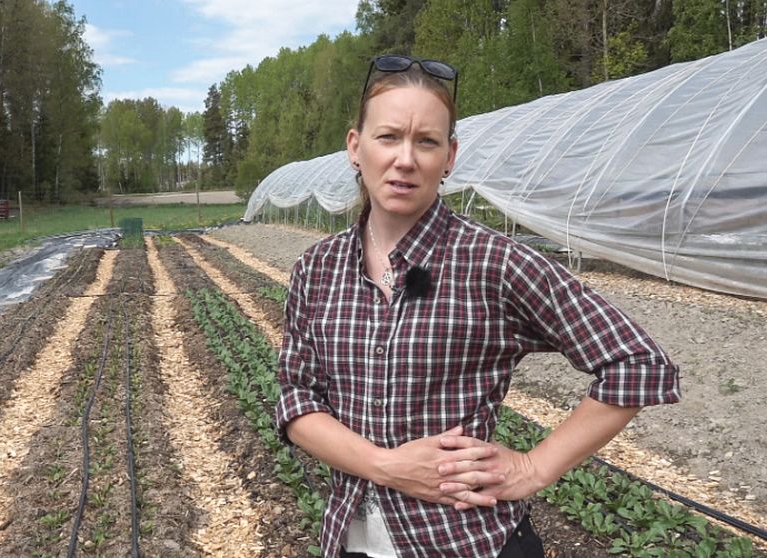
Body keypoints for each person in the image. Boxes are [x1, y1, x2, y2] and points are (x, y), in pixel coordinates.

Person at [274, 54, 681, 558]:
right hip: (350, 538)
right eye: (388, 137)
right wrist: (385, 465)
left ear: (450, 157)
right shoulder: (318, 268)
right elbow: (297, 400)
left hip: (466, 540)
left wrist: (535, 467)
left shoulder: (496, 262)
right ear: (355, 148)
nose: (406, 159)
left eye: (427, 141)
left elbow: (638, 364)